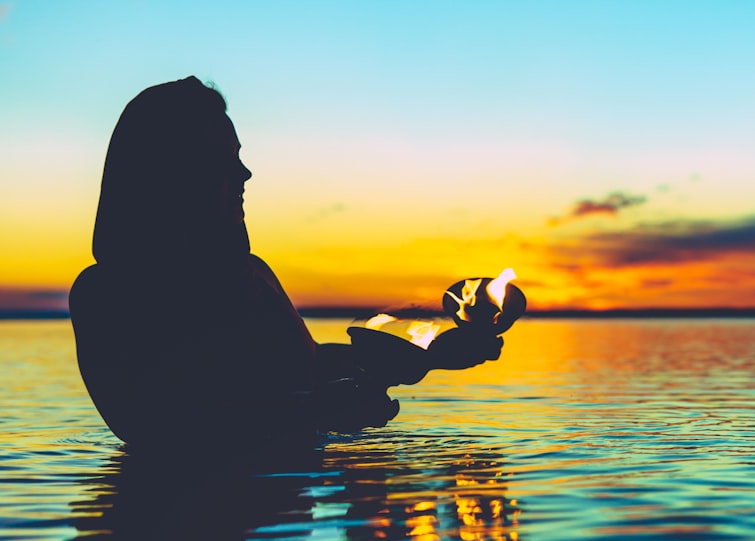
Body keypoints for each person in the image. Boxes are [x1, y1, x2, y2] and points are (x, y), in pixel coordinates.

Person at [69, 76, 503, 449]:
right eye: (223, 158)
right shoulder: (107, 294)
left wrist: (430, 357)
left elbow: (306, 367)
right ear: (170, 170)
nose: (244, 174)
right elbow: (154, 425)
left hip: (280, 531)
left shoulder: (249, 276)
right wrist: (322, 408)